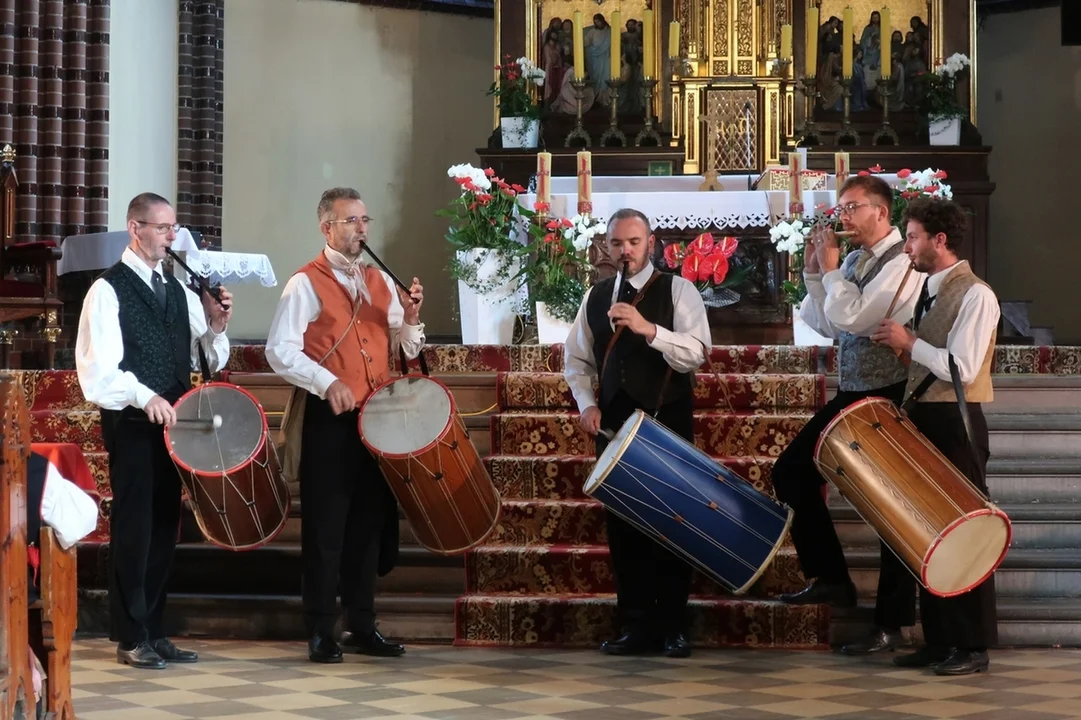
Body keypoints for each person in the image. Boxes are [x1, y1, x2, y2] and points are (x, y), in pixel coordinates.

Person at [265, 187, 425, 663]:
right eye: (351, 220)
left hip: (376, 419)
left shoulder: (379, 280)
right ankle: (319, 629)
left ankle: (362, 624)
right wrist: (324, 380)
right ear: (327, 228)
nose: (362, 228)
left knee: (367, 526)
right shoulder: (304, 283)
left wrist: (411, 318)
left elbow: (409, 349)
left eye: (365, 220)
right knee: (325, 527)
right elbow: (280, 350)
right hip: (329, 420)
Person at [76, 192, 233, 669]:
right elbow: (98, 371)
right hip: (132, 425)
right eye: (163, 228)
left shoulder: (177, 289)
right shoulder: (107, 290)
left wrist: (216, 326)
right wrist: (146, 397)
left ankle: (155, 629)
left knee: (166, 526)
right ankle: (129, 635)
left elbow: (204, 358)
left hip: (175, 425)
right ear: (135, 228)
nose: (171, 237)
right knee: (135, 528)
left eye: (173, 228)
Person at [772, 175, 924, 656]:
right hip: (854, 389)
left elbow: (860, 320)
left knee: (889, 506)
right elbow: (824, 323)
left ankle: (891, 623)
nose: (843, 218)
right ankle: (832, 579)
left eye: (852, 207)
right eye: (841, 208)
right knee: (791, 471)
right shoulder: (856, 260)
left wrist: (833, 275)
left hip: (890, 394)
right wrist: (819, 273)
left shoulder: (904, 262)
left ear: (881, 212)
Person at [563, 208, 711, 658]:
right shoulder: (595, 296)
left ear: (651, 243)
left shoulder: (678, 289)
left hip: (666, 415)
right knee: (624, 524)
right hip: (614, 420)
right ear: (606, 247)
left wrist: (649, 330)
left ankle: (671, 625)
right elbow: (576, 360)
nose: (624, 251)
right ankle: (636, 624)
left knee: (673, 518)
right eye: (616, 243)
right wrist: (587, 404)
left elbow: (697, 353)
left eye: (633, 242)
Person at [872, 197, 1000, 675]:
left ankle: (971, 645)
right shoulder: (929, 288)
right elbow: (932, 363)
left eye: (912, 237)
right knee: (930, 531)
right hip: (927, 420)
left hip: (957, 424)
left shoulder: (976, 293)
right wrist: (906, 354)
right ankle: (939, 638)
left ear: (939, 240)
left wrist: (911, 343)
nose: (906, 248)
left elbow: (963, 367)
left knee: (965, 534)